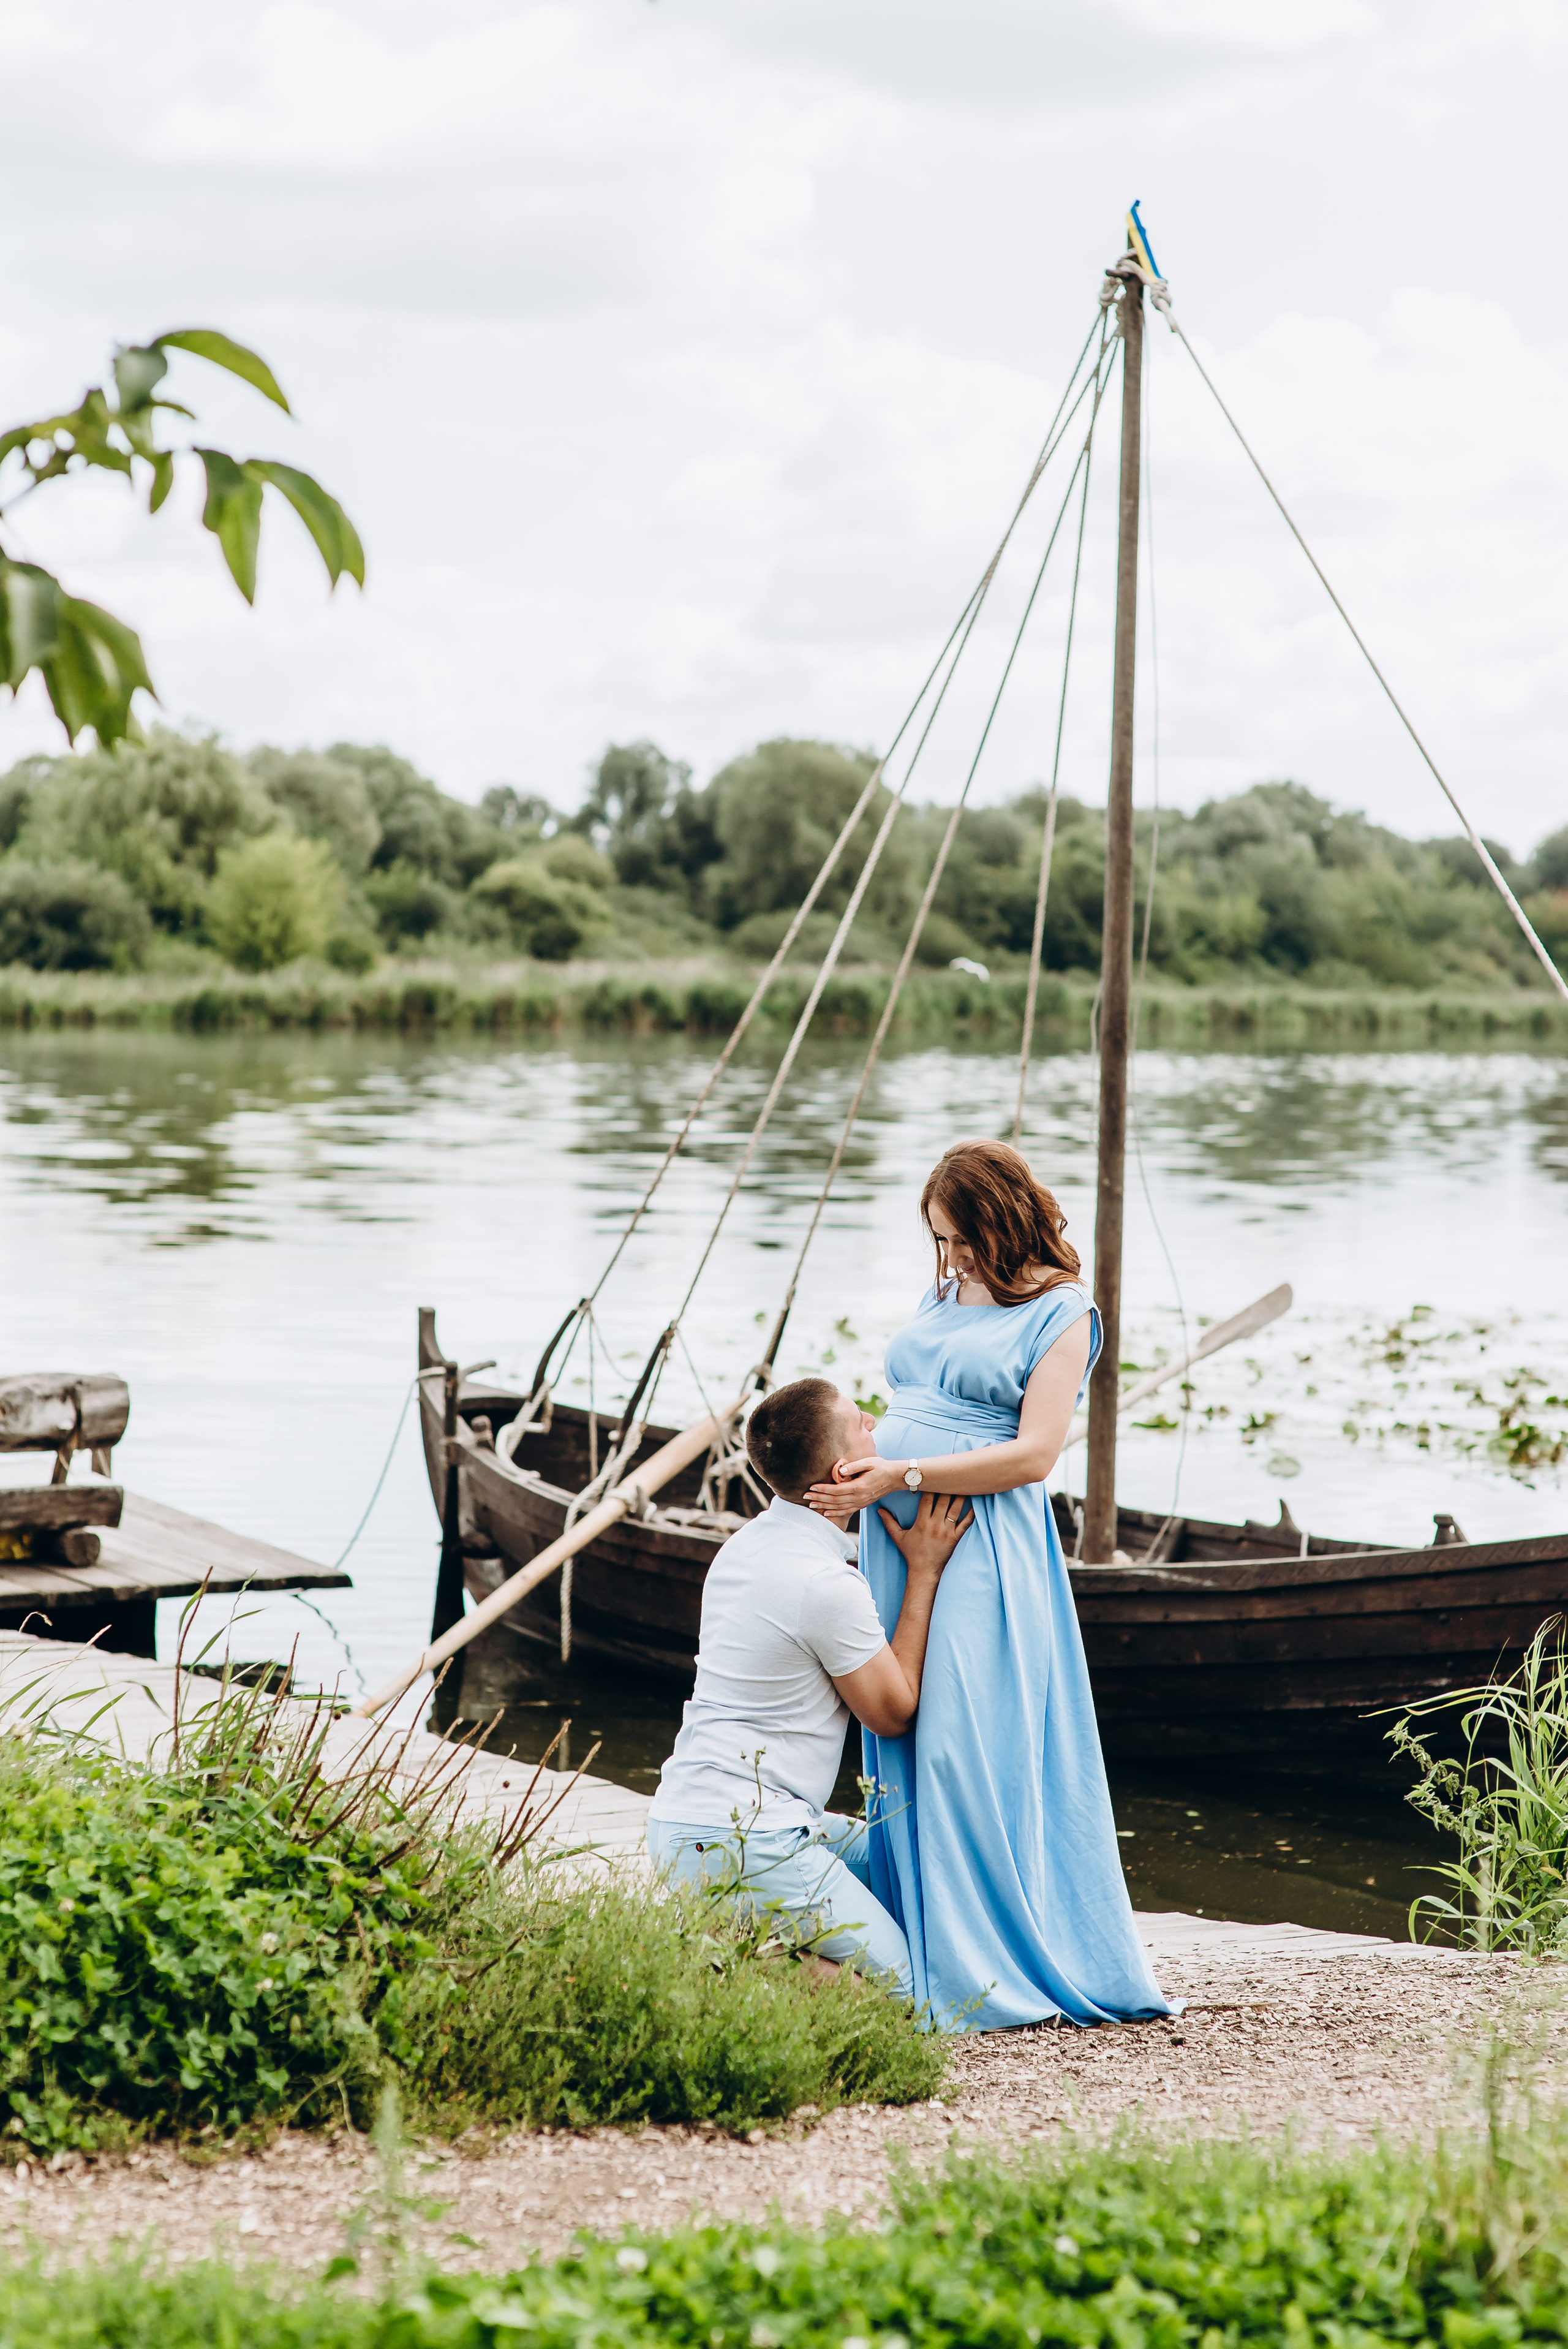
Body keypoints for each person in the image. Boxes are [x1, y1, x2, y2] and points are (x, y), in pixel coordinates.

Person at [804, 1137, 1170, 2031]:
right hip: (902, 1535)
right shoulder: (946, 1287)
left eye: (961, 1237)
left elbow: (1036, 1453)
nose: (951, 1256)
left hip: (974, 1535)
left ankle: (983, 1960)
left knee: (963, 1737)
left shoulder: (1063, 1310)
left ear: (1002, 1219)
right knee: (906, 1732)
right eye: (938, 1238)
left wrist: (905, 1473)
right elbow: (920, 1392)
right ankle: (925, 1933)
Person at [646, 1375, 973, 1998]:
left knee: (902, 1859)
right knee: (901, 1994)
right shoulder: (822, 1585)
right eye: (861, 1423)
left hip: (683, 1821)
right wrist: (925, 1571)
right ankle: (707, 1956)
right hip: (743, 1838)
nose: (875, 1422)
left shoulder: (743, 1548)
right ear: (844, 1470)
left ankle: (725, 1925)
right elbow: (893, 1712)